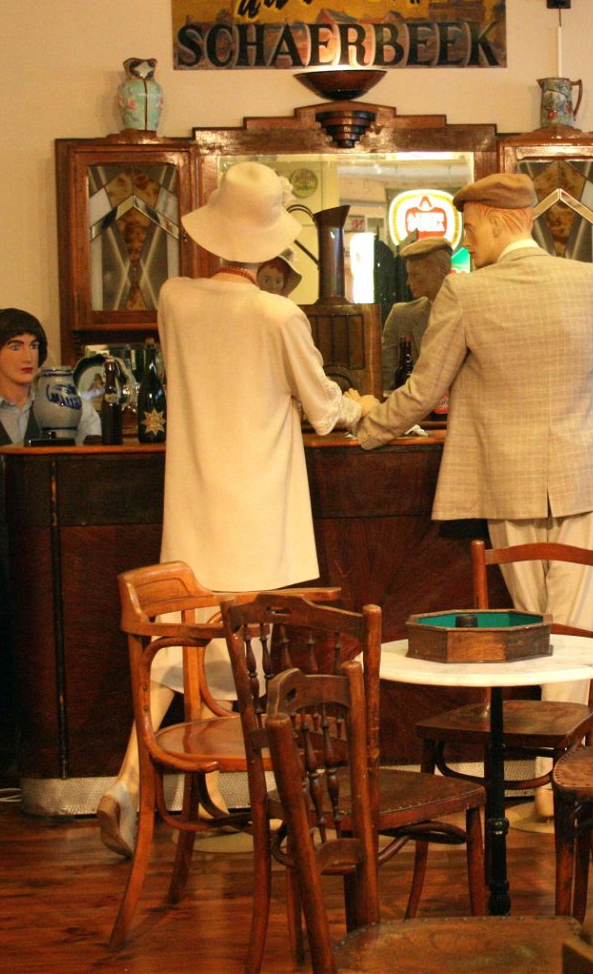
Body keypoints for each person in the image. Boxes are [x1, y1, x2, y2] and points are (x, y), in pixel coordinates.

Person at [96, 161, 371, 856]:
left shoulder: (172, 296)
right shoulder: (278, 313)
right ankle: (224, 792)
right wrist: (359, 405)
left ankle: (140, 785)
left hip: (192, 504)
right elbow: (324, 408)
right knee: (246, 655)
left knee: (179, 648)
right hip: (260, 513)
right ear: (275, 245)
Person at [355, 172, 593, 808]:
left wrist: (364, 429)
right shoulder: (592, 281)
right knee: (582, 632)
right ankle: (576, 774)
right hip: (584, 477)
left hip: (507, 483)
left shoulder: (466, 293)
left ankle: (561, 776)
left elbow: (424, 392)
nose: (466, 242)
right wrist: (587, 424)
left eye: (471, 228)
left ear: (500, 219)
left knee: (533, 634)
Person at [0, 308, 101, 788]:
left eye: (33, 344)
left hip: (59, 550)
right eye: (15, 345)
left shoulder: (67, 402)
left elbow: (91, 459)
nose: (27, 355)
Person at [380, 237, 454, 391]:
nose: (408, 282)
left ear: (440, 272)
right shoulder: (401, 316)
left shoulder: (468, 312)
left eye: (415, 274)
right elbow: (388, 379)